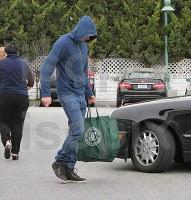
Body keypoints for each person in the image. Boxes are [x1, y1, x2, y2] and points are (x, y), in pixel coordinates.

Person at [40, 16, 97, 183]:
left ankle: (69, 168)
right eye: (87, 35)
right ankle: (59, 160)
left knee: (76, 132)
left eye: (91, 37)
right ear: (80, 30)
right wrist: (45, 93)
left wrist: (89, 93)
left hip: (80, 94)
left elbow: (84, 73)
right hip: (67, 93)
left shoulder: (84, 45)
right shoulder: (63, 42)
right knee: (78, 129)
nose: (88, 39)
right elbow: (46, 67)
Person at [0, 43, 34, 160]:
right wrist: (24, 88)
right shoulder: (24, 63)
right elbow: (31, 82)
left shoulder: (2, 63)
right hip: (22, 98)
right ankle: (15, 153)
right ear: (17, 52)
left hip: (5, 96)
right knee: (18, 124)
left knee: (3, 121)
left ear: (6, 52)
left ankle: (7, 141)